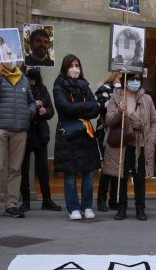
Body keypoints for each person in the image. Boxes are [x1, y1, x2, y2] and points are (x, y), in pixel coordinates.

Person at [0, 61, 36, 219]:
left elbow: (31, 101)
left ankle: (11, 204)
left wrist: (29, 112)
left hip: (19, 130)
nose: (10, 59)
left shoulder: (22, 78)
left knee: (15, 169)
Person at [104, 72, 156, 221]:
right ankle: (121, 207)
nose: (136, 81)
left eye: (138, 79)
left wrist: (152, 139)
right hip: (122, 143)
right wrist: (118, 111)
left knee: (140, 177)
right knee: (122, 177)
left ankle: (140, 208)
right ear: (125, 81)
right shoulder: (116, 97)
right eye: (132, 79)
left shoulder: (146, 98)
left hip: (140, 143)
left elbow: (154, 121)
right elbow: (108, 120)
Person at [53, 54, 101, 220]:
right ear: (65, 67)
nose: (75, 68)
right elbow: (65, 108)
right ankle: (73, 208)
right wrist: (85, 106)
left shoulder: (85, 85)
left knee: (88, 173)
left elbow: (95, 109)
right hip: (69, 135)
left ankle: (87, 206)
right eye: (72, 65)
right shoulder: (58, 85)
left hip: (86, 135)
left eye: (77, 65)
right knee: (70, 173)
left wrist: (78, 107)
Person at [19, 66, 61, 212]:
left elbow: (51, 111)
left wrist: (45, 110)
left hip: (41, 133)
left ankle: (47, 200)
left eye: (36, 67)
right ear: (24, 69)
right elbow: (17, 108)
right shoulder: (20, 86)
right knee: (24, 168)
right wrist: (32, 105)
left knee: (43, 168)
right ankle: (25, 201)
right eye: (31, 66)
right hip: (25, 132)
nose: (34, 69)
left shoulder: (42, 89)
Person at [94, 72, 122, 212]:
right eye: (121, 76)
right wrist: (117, 97)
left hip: (122, 132)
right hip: (107, 132)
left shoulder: (127, 90)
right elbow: (100, 106)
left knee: (118, 167)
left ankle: (114, 199)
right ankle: (101, 198)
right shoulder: (105, 88)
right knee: (107, 167)